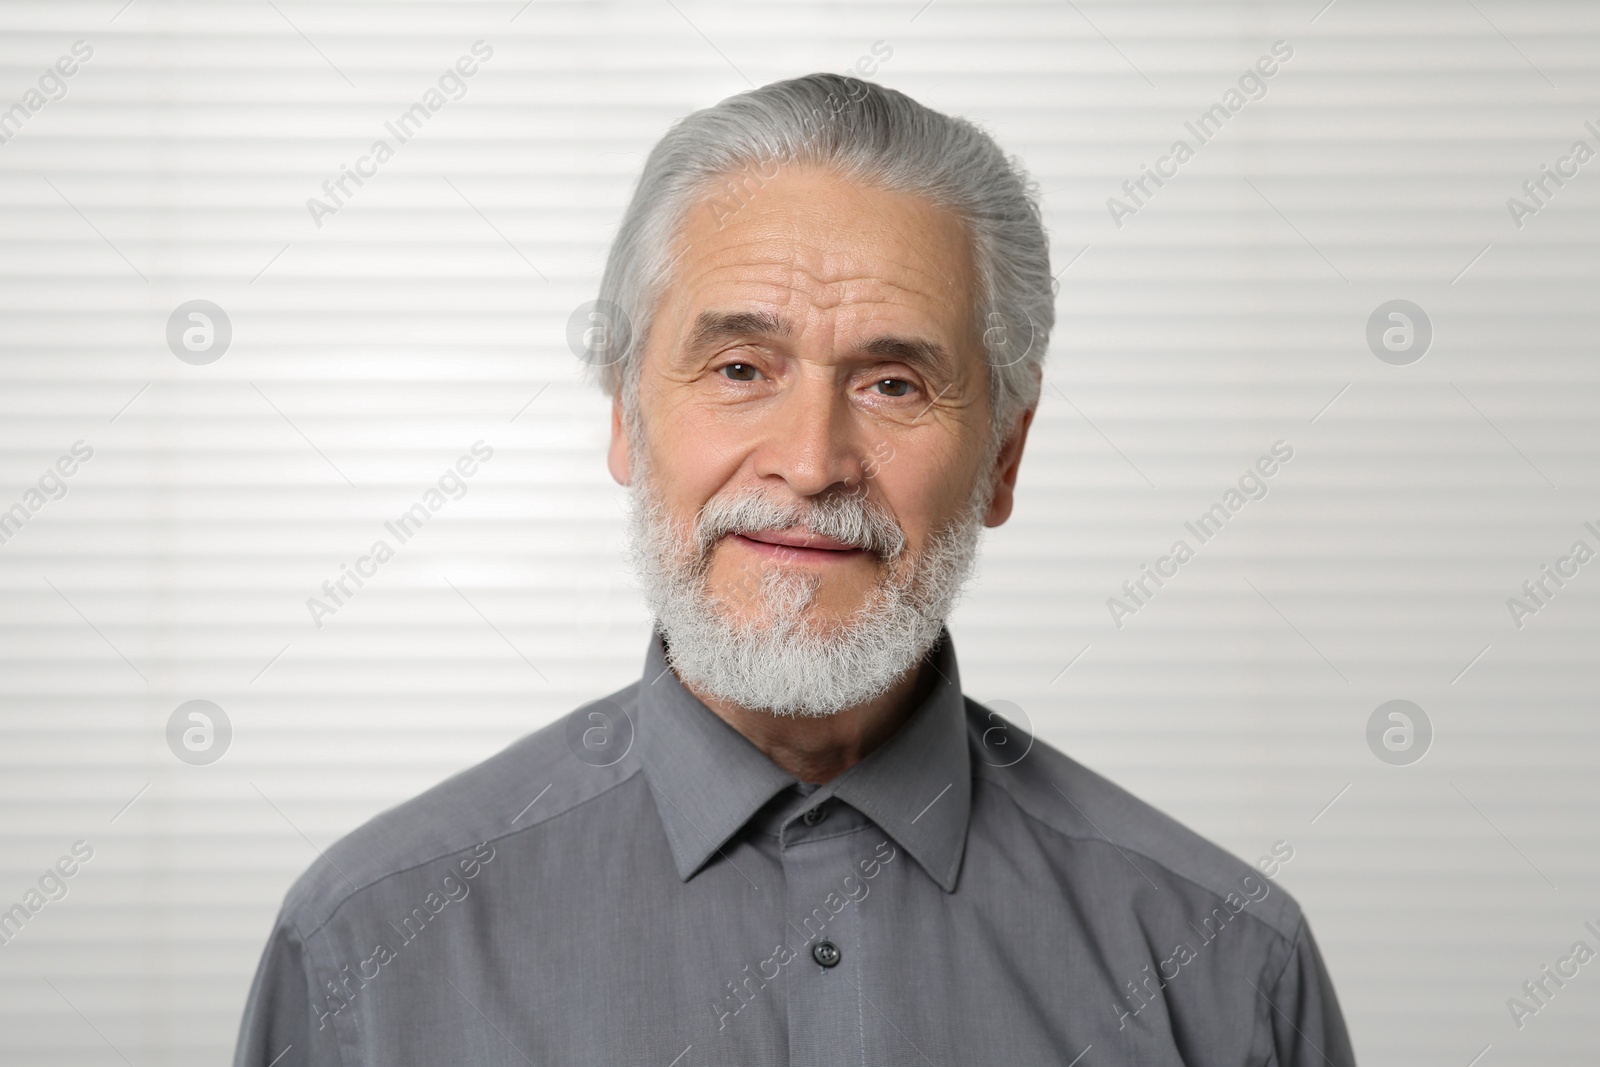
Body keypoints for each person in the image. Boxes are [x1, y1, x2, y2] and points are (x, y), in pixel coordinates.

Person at [234, 72, 1354, 1066]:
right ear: (627, 415)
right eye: (738, 366)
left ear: (1003, 453)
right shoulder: (367, 946)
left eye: (894, 384)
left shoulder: (1228, 969)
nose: (813, 463)